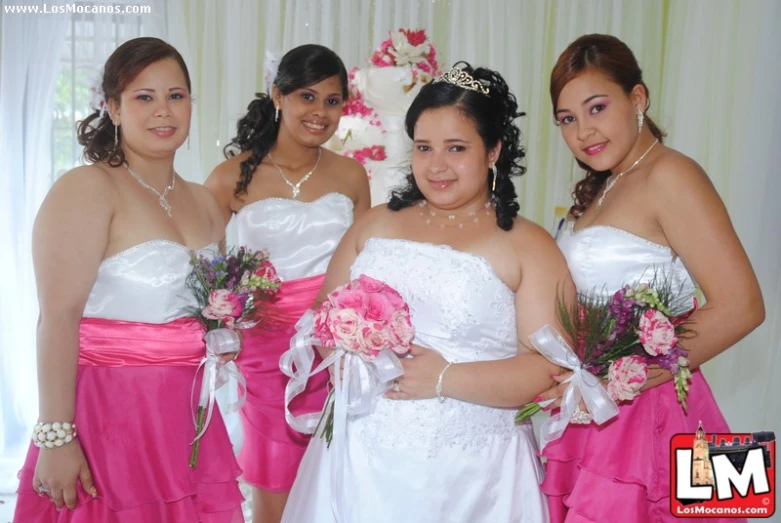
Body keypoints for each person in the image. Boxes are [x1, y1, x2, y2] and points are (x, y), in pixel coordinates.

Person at [281, 63, 572, 523]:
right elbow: (322, 315)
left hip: (468, 477)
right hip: (357, 459)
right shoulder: (376, 223)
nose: (436, 166)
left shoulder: (527, 244)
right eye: (424, 147)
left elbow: (551, 370)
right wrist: (346, 348)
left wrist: (444, 377)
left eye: (456, 148)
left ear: (493, 150)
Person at [13, 37, 244, 522]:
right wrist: (56, 435)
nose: (164, 111)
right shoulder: (87, 188)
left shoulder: (204, 201)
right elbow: (57, 319)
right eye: (145, 97)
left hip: (187, 417)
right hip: (108, 418)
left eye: (176, 96)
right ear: (114, 108)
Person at [539, 34, 765, 523]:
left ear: (637, 98)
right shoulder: (606, 183)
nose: (583, 131)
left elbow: (743, 305)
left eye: (597, 107)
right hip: (602, 412)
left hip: (659, 411)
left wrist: (624, 376)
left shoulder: (673, 173)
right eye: (567, 119)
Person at [205, 44, 370, 523]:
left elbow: (366, 264)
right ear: (278, 96)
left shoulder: (352, 175)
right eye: (307, 96)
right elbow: (206, 271)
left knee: (339, 477)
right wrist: (224, 323)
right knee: (275, 478)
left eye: (333, 101)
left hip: (338, 347)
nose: (320, 113)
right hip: (266, 353)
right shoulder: (231, 178)